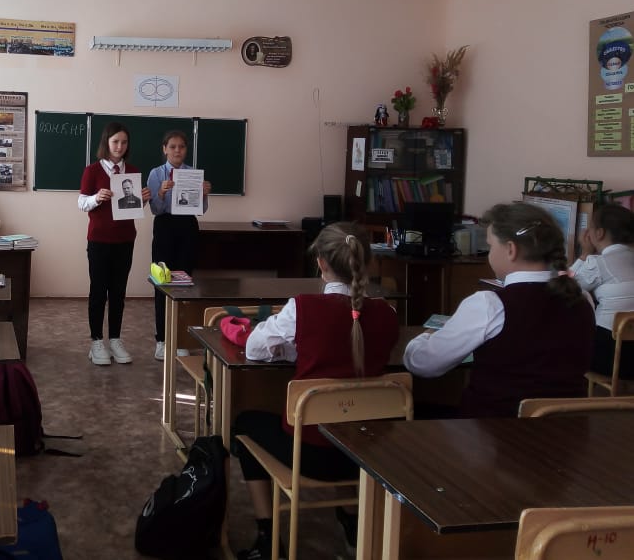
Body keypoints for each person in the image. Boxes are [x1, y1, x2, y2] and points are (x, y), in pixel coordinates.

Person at [232, 222, 398, 560]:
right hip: (369, 455)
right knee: (347, 417)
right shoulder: (387, 314)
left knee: (244, 423)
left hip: (311, 455)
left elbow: (254, 348)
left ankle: (267, 537)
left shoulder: (302, 308)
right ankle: (351, 521)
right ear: (367, 261)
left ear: (320, 262)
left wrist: (295, 347)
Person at [405, 201, 596, 418]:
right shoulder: (583, 299)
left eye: (490, 247)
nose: (489, 255)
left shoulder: (489, 304)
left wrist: (422, 339)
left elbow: (424, 364)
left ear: (511, 250)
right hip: (568, 431)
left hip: (496, 429)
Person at [77, 121, 150, 366]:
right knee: (99, 291)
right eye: (115, 141)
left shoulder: (133, 171)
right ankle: (96, 341)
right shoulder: (92, 170)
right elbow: (81, 203)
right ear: (106, 143)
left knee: (118, 292)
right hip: (99, 240)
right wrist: (97, 198)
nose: (119, 146)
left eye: (124, 142)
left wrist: (143, 200)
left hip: (125, 240)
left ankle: (116, 339)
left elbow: (132, 207)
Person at [147, 129, 211, 360]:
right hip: (164, 227)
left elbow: (201, 210)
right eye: (172, 146)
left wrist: (204, 194)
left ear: (186, 150)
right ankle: (162, 340)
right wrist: (161, 193)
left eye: (181, 147)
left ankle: (180, 339)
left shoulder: (193, 173)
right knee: (163, 282)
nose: (177, 151)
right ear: (164, 149)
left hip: (187, 228)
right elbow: (155, 209)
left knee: (184, 284)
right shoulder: (156, 173)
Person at [570, 203, 634, 377]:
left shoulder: (598, 263)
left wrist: (584, 253)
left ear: (599, 233)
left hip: (611, 358)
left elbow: (566, 288)